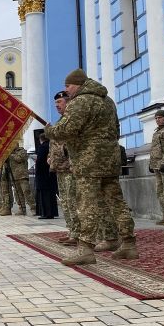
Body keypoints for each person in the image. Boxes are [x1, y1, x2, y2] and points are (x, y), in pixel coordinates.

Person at [44, 69, 137, 265]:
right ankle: (129, 244)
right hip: (109, 159)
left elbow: (67, 130)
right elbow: (116, 129)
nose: (66, 90)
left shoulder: (81, 102)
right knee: (116, 202)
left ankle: (85, 248)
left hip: (88, 161)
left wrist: (50, 131)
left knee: (86, 203)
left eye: (68, 86)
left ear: (77, 84)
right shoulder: (107, 101)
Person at [49, 91, 78, 245]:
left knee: (72, 201)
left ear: (68, 102)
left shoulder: (72, 120)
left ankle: (77, 233)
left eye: (59, 102)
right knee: (65, 202)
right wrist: (50, 157)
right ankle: (72, 230)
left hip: (69, 168)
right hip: (59, 168)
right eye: (55, 103)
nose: (56, 106)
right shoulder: (61, 121)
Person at [35, 133, 59, 219]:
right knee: (51, 195)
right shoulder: (51, 146)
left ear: (40, 139)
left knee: (45, 196)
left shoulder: (42, 147)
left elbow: (40, 162)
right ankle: (53, 212)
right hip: (51, 174)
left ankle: (47, 213)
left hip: (43, 176)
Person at [8, 146, 36, 216]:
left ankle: (33, 208)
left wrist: (11, 155)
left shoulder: (21, 151)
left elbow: (19, 159)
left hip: (22, 176)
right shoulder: (10, 153)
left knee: (26, 192)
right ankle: (22, 208)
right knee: (18, 194)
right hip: (14, 176)